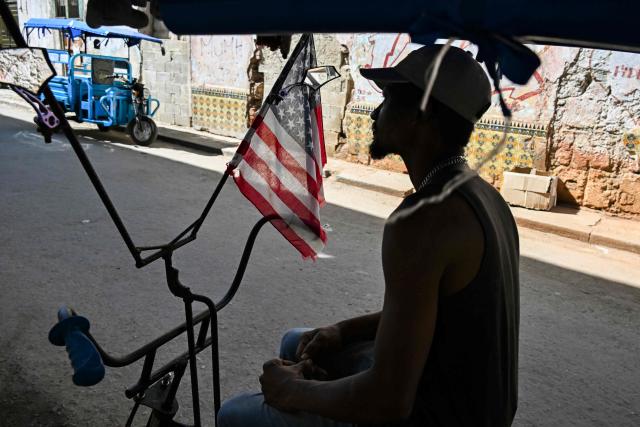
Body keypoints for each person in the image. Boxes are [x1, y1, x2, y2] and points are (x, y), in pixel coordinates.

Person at [218, 45, 520, 427]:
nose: (376, 113)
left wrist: (288, 391)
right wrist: (343, 330)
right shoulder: (483, 196)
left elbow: (388, 401)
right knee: (299, 342)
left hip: (438, 413)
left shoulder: (423, 220)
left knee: (235, 415)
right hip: (475, 405)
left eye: (389, 100)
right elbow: (424, 312)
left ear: (420, 117)